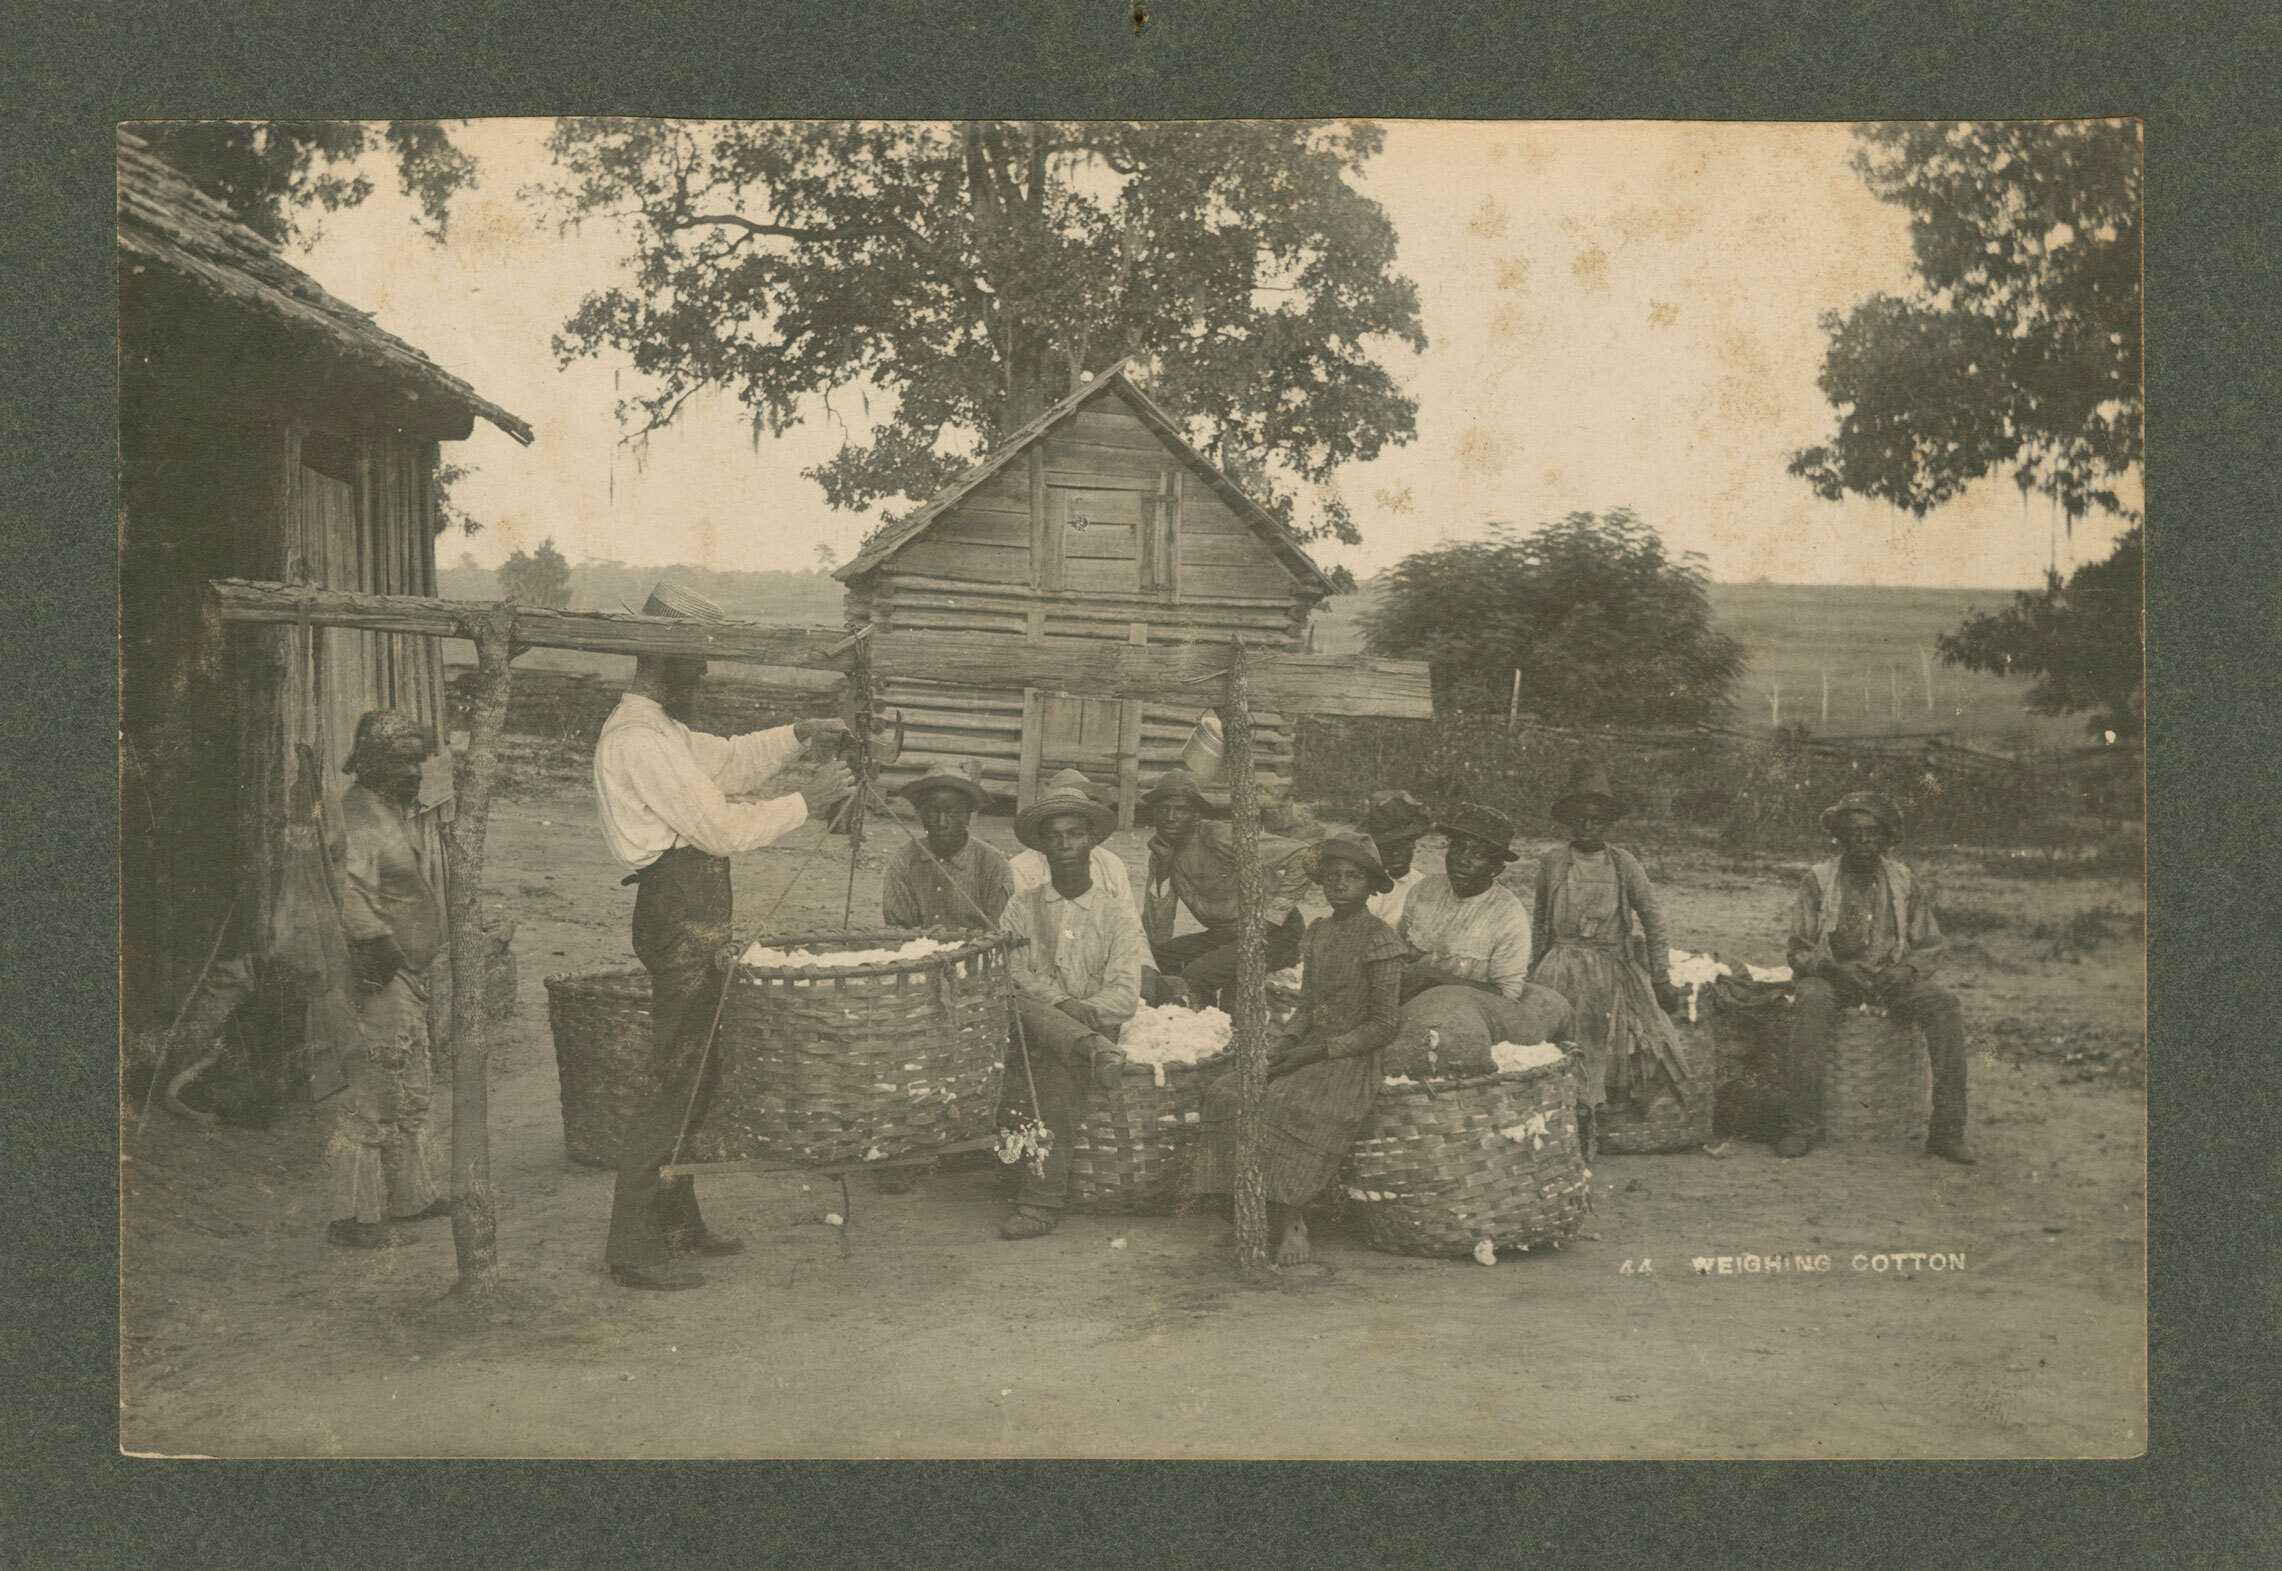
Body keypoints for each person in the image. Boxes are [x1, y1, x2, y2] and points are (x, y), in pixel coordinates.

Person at [595, 582, 855, 1290]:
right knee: (675, 1074)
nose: (705, 675)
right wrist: (811, 800)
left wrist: (799, 733)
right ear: (661, 660)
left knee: (697, 1069)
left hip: (693, 905)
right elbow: (720, 827)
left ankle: (677, 1221)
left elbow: (731, 760)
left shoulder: (666, 733)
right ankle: (634, 1245)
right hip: (677, 908)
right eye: (697, 663)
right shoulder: (638, 740)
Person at [1190, 833, 1406, 1266]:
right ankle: (1248, 1207)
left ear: (1370, 886)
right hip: (1308, 1045)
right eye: (1332, 877)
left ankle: (1292, 1219)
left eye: (1352, 877)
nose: (1340, 885)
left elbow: (1383, 1025)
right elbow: (1307, 1006)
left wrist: (1318, 1052)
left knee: (1287, 1102)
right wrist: (1284, 1044)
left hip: (1350, 1056)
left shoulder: (1380, 940)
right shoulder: (1319, 932)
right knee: (1229, 1090)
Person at [1779, 791, 1974, 1164]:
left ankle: (1948, 1131)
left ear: (1886, 839)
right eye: (1853, 833)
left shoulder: (1903, 882)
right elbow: (1799, 948)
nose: (1863, 842)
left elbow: (1931, 944)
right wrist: (1834, 969)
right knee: (1811, 1000)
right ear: (1840, 837)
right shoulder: (1818, 881)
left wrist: (1904, 970)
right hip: (1834, 977)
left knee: (1944, 1005)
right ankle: (1801, 1126)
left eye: (1872, 833)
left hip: (1889, 978)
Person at [997, 770, 1148, 1239]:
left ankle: (1041, 1203)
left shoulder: (1115, 914)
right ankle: (1082, 1045)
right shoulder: (1022, 907)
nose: (1064, 845)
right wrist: (1062, 1005)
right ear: (1042, 848)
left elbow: (1124, 995)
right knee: (1012, 1005)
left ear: (1090, 842)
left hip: (1093, 1028)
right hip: (1042, 1027)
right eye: (1054, 837)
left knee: (1056, 1072)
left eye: (1074, 835)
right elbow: (1011, 974)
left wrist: (1080, 1015)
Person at [325, 711, 450, 1248]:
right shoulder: (359, 818)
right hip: (381, 973)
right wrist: (384, 959)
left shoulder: (396, 813)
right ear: (371, 764)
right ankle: (353, 1218)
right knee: (376, 1090)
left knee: (412, 1086)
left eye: (417, 762)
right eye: (401, 762)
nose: (415, 772)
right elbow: (350, 897)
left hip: (411, 972)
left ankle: (410, 1197)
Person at [1528, 762, 1692, 1133]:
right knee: (1551, 1036)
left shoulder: (1622, 864)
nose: (1588, 827)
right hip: (1560, 963)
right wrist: (1530, 971)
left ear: (1607, 823)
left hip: (1611, 965)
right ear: (1569, 821)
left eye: (1596, 820)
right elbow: (1539, 920)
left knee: (1621, 1041)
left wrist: (1661, 976)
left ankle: (1600, 1112)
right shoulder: (1553, 862)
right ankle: (1564, 1111)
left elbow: (1653, 919)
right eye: (1580, 820)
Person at [1139, 767, 1311, 1010]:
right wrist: (1164, 869)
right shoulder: (1161, 854)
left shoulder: (1217, 835)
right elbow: (1158, 934)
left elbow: (1303, 855)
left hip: (1277, 934)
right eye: (1162, 809)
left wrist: (1272, 917)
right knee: (1159, 957)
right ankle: (1193, 1014)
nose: (1170, 817)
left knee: (1197, 975)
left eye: (1181, 809)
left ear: (1196, 814)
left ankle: (1208, 1027)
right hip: (1226, 935)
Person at [1397, 801, 1536, 1002]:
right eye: (1458, 848)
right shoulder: (1424, 890)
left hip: (1467, 1014)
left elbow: (1507, 995)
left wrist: (1434, 977)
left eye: (1478, 855)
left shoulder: (1508, 916)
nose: (1463, 860)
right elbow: (1400, 952)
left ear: (1496, 868)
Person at [881, 760, 1014, 930]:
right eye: (933, 811)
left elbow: (1000, 931)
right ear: (921, 815)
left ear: (967, 816)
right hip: (917, 952)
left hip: (978, 953)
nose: (941, 822)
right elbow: (897, 929)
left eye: (951, 812)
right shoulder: (904, 860)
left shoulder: (991, 864)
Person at [1007, 770, 1135, 911]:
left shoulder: (1110, 864)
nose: (1065, 843)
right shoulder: (1021, 867)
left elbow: (1128, 920)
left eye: (1075, 832)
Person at [1362, 789, 1434, 929]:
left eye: (1401, 846)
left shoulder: (1421, 887)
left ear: (1412, 844)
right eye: (1386, 847)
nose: (1395, 853)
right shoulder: (1364, 881)